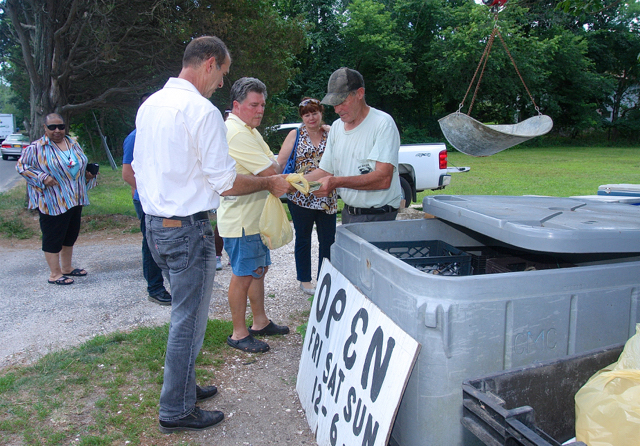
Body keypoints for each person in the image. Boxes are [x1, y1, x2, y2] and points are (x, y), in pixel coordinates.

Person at [132, 36, 289, 433]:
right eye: (222, 74)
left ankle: (183, 388)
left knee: (183, 316)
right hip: (187, 228)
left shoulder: (150, 104)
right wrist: (268, 184)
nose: (222, 84)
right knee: (189, 321)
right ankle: (176, 410)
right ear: (209, 64)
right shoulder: (199, 110)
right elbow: (225, 183)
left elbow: (134, 170)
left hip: (156, 225)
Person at [217, 77, 290, 354]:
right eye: (253, 105)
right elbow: (272, 173)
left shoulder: (248, 129)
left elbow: (272, 163)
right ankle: (238, 333)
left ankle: (260, 322)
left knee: (258, 271)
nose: (259, 110)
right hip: (241, 221)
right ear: (236, 105)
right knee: (243, 275)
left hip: (254, 218)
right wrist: (270, 169)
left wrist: (270, 168)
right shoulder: (235, 132)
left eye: (262, 105)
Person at [306, 67, 402, 223]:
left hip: (380, 216)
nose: (337, 110)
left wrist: (337, 182)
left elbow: (383, 179)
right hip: (348, 214)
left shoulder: (382, 124)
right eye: (334, 104)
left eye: (342, 102)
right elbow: (325, 171)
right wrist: (294, 181)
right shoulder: (337, 127)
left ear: (359, 93)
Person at [16, 113, 97, 285]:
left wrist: (88, 175)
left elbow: (77, 164)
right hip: (52, 200)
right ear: (45, 128)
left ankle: (66, 268)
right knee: (53, 236)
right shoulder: (36, 147)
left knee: (70, 234)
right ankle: (54, 274)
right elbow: (22, 166)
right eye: (52, 127)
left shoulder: (73, 143)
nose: (57, 130)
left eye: (61, 126)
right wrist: (42, 177)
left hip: (75, 197)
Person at [277, 98, 337, 295]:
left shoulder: (331, 134)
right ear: (302, 117)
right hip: (301, 196)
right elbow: (281, 162)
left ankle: (325, 278)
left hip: (326, 195)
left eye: (314, 113)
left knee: (327, 239)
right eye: (306, 114)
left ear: (321, 113)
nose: (311, 118)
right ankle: (305, 280)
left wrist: (331, 130)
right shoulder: (295, 135)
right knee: (303, 238)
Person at [122, 93, 171, 305]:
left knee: (164, 243)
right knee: (151, 244)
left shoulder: (160, 134)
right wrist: (148, 191)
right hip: (146, 201)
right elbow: (127, 173)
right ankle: (155, 288)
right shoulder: (135, 137)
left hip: (162, 200)